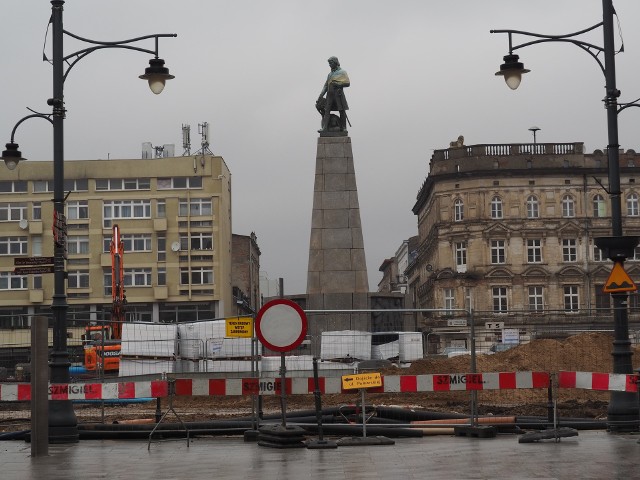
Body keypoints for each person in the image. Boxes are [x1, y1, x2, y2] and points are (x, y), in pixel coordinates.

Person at [317, 56, 350, 133]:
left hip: (338, 94)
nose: (329, 65)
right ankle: (325, 128)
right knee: (327, 110)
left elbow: (347, 83)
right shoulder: (330, 74)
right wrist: (321, 95)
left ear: (335, 62)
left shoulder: (342, 72)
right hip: (330, 94)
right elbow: (325, 86)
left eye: (330, 63)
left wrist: (337, 84)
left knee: (341, 111)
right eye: (329, 63)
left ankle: (344, 128)